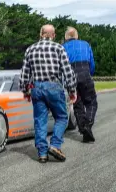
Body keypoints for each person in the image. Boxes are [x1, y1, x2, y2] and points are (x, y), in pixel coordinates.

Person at [19, 24, 77, 163]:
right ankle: (55, 145)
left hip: (37, 88)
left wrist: (25, 90)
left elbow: (24, 73)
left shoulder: (30, 50)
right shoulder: (59, 48)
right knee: (62, 117)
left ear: (40, 34)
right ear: (53, 35)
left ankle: (42, 153)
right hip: (54, 86)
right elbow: (67, 71)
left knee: (40, 121)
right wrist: (72, 90)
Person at [62, 26, 97, 143]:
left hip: (71, 77)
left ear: (66, 37)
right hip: (85, 73)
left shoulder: (63, 47)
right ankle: (87, 124)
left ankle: (83, 129)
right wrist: (89, 73)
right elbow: (92, 64)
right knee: (91, 102)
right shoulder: (86, 44)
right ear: (76, 36)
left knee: (77, 104)